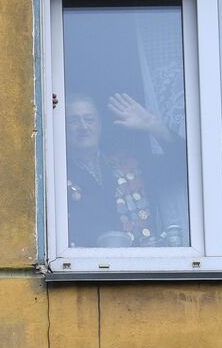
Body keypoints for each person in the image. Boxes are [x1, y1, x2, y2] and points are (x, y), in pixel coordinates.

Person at [64, 93, 185, 248]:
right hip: (83, 268)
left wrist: (153, 124)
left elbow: (182, 165)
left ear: (99, 125)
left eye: (89, 119)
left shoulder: (130, 164)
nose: (83, 127)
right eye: (73, 121)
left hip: (138, 266)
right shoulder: (57, 175)